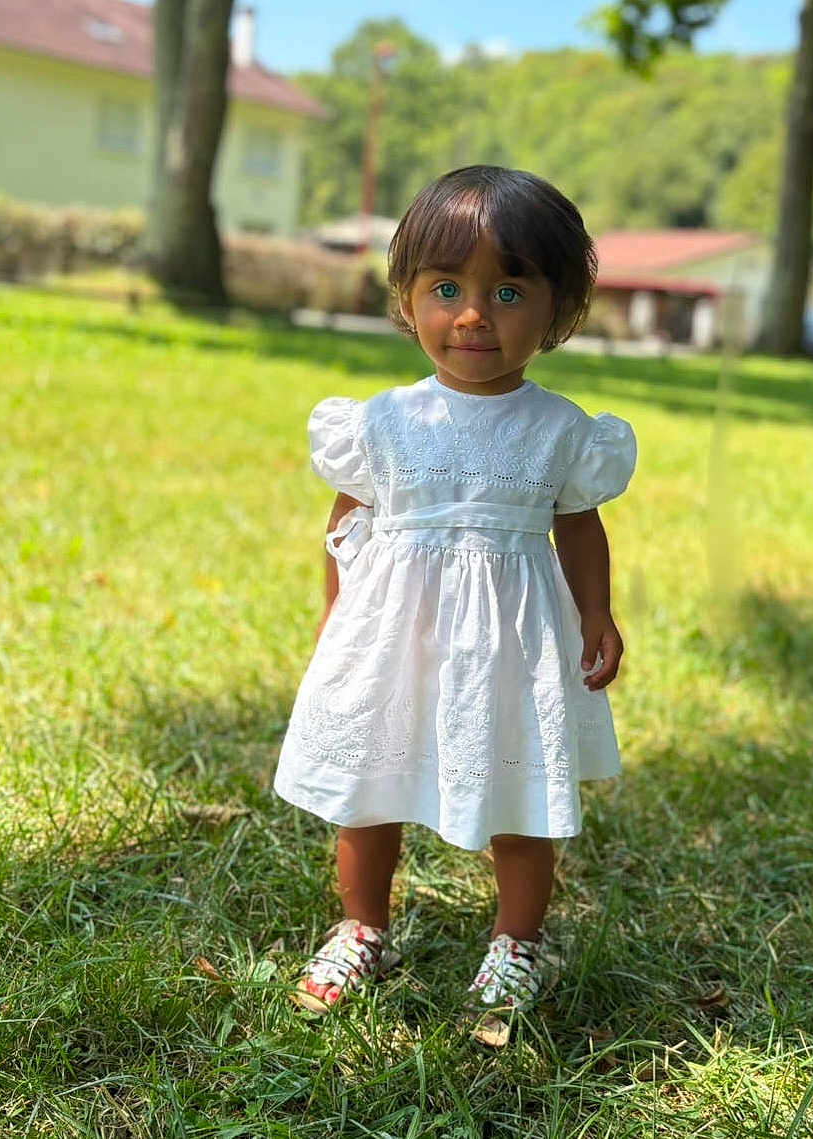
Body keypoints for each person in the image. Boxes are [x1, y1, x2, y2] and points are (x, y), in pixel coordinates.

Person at [273, 165, 636, 1045]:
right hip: (393, 635)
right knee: (369, 783)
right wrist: (336, 622)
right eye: (447, 288)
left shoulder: (559, 429)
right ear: (406, 297)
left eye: (507, 290)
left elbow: (578, 528)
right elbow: (346, 525)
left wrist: (597, 613)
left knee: (520, 794)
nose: (473, 313)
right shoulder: (382, 421)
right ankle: (361, 926)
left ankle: (517, 941)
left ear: (559, 309)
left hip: (510, 643)